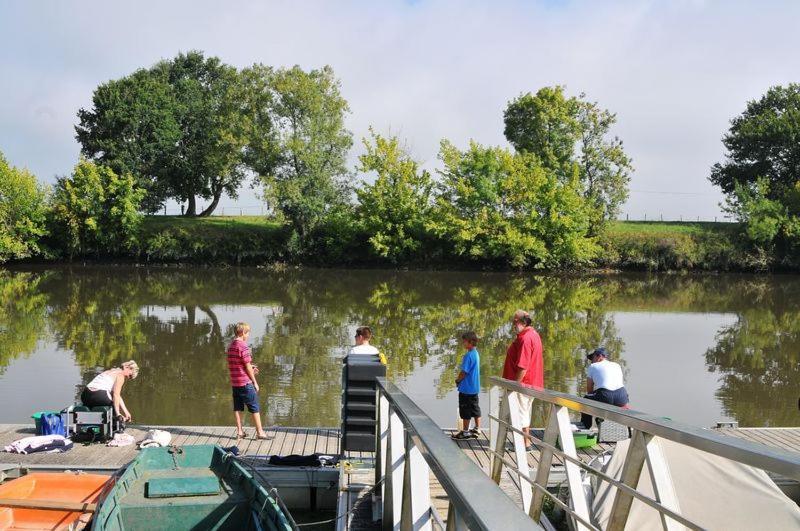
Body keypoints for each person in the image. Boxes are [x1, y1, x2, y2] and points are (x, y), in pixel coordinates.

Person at [502, 310, 544, 448]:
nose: (513, 325)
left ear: (523, 322)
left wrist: (515, 385)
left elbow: (523, 366)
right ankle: (526, 442)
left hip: (524, 384)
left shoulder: (525, 338)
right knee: (524, 412)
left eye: (515, 322)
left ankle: (524, 444)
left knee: (520, 414)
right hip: (532, 383)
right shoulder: (533, 334)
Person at [227, 322, 271, 440]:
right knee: (254, 407)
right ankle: (260, 432)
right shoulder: (243, 346)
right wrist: (255, 382)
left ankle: (240, 432)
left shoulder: (231, 346)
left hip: (235, 383)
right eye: (247, 333)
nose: (248, 336)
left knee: (238, 408)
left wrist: (250, 367)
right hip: (245, 383)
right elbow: (246, 366)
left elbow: (237, 365)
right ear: (242, 333)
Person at [580, 347, 629, 429]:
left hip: (605, 394)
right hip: (622, 396)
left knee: (586, 400)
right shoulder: (616, 365)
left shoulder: (593, 366)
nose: (592, 361)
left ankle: (586, 427)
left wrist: (594, 406)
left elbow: (589, 389)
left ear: (599, 356)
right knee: (605, 399)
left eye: (593, 358)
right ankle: (626, 431)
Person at [452, 331, 481, 440]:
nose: (463, 344)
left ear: (470, 342)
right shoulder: (475, 353)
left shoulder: (468, 355)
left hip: (466, 389)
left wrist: (458, 380)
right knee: (475, 408)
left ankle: (465, 432)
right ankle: (477, 429)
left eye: (464, 342)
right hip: (474, 388)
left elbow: (464, 372)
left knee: (465, 410)